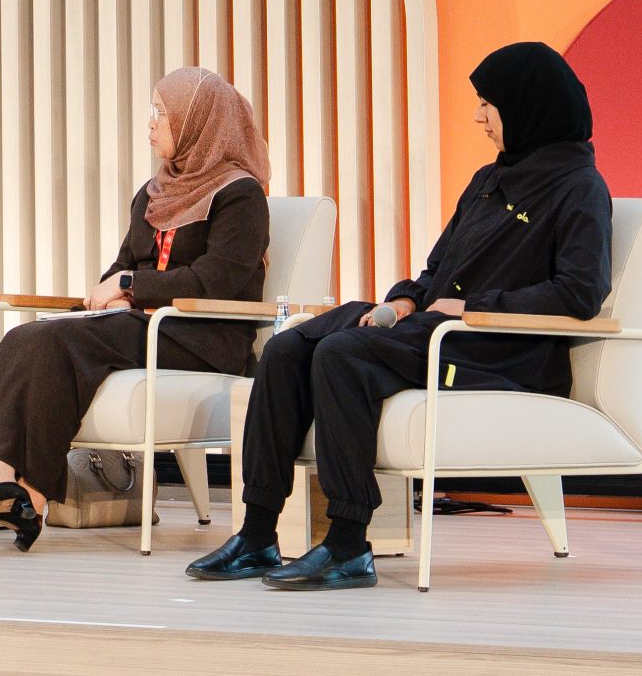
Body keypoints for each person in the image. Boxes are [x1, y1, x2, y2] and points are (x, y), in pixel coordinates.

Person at [188, 41, 613, 591]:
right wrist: (404, 300)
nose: (478, 116)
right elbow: (437, 269)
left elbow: (581, 292)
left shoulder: (580, 188)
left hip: (500, 352)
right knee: (289, 346)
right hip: (438, 331)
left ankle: (348, 544)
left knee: (342, 355)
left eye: (489, 104)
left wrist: (476, 308)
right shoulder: (488, 180)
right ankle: (257, 534)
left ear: (529, 108)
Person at [0, 66, 271, 547]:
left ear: (198, 122)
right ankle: (0, 479)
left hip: (201, 336)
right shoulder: (155, 192)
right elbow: (122, 264)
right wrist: (115, 287)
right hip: (145, 325)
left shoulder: (240, 194)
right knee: (26, 335)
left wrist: (131, 286)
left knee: (58, 341)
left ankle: (31, 497)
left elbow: (215, 279)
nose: (151, 123)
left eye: (162, 113)